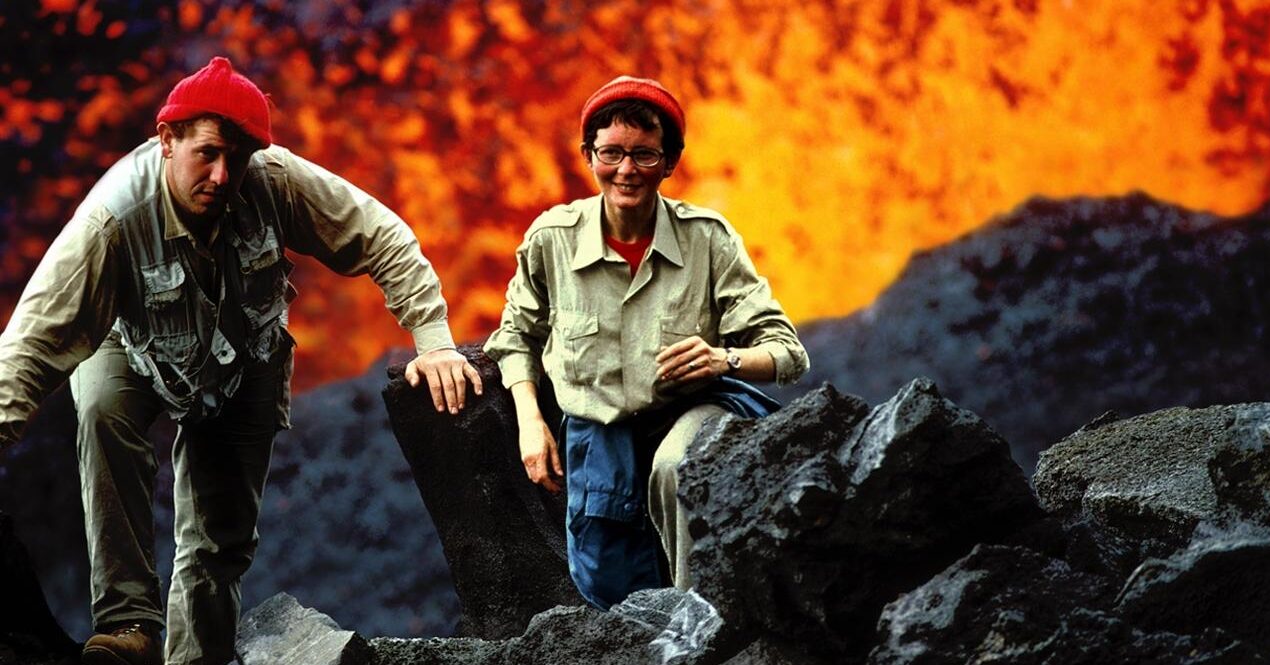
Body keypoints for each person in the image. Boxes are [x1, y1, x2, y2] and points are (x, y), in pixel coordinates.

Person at [0, 56, 481, 664]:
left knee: (217, 540)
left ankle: (194, 659)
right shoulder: (110, 219)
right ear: (167, 140)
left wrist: (433, 339)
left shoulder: (275, 180)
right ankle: (128, 626)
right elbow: (29, 346)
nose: (224, 174)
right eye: (207, 153)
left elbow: (382, 236)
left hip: (243, 358)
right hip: (132, 345)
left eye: (239, 156)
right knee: (100, 411)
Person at [483, 75, 809, 609]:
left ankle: (700, 628)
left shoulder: (708, 238)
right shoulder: (552, 240)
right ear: (589, 156)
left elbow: (787, 352)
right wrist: (530, 421)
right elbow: (516, 334)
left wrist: (721, 358)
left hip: (690, 411)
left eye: (644, 155)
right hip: (600, 430)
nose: (626, 170)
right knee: (610, 582)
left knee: (677, 467)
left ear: (670, 162)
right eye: (611, 153)